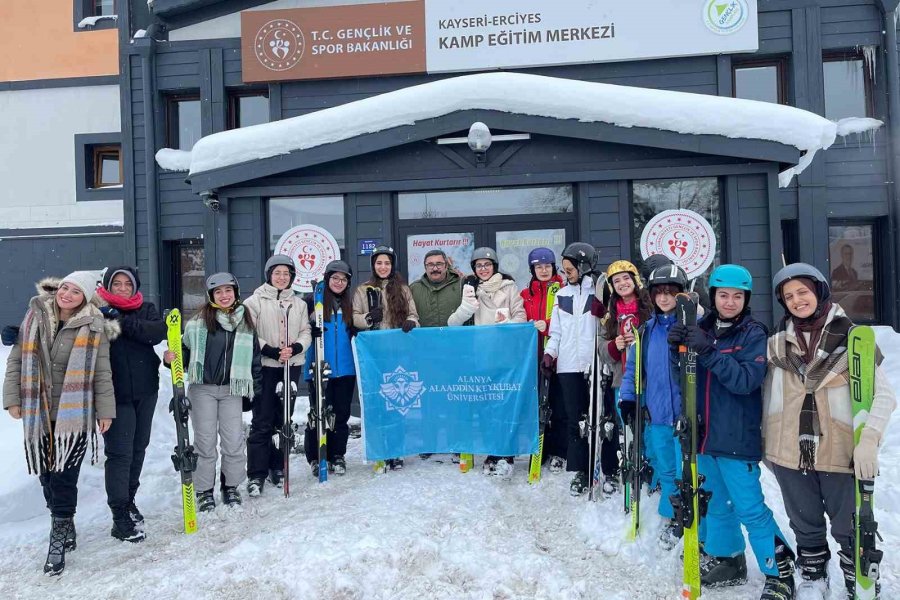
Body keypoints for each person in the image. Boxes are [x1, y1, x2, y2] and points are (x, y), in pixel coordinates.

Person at [764, 263, 895, 599]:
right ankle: (813, 576)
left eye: (803, 292)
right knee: (803, 520)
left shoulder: (854, 339)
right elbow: (766, 395)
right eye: (789, 296)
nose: (797, 300)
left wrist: (869, 439)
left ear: (819, 291)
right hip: (789, 450)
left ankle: (857, 576)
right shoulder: (776, 343)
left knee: (848, 523)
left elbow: (884, 396)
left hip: (839, 449)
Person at [668, 264, 794, 597]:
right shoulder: (700, 328)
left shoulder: (753, 333)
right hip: (703, 436)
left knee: (750, 508)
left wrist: (707, 350)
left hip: (737, 436)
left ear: (746, 299)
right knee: (716, 503)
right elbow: (684, 378)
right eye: (723, 295)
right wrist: (675, 350)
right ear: (713, 296)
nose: (729, 302)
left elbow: (745, 381)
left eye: (738, 296)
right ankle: (729, 559)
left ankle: (780, 573)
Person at [3, 272, 115, 575]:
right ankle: (65, 522)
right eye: (65, 287)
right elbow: (16, 360)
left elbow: (102, 372)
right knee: (46, 475)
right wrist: (12, 398)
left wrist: (105, 411)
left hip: (74, 414)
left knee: (64, 477)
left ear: (85, 298)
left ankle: (58, 535)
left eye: (76, 291)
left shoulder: (95, 325)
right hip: (38, 410)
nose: (67, 294)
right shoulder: (35, 315)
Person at [164, 273, 263, 512]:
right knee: (205, 442)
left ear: (235, 293)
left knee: (233, 441)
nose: (224, 295)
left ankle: (230, 487)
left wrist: (255, 392)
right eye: (218, 292)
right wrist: (171, 358)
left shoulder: (245, 322)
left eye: (228, 290)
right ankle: (204, 490)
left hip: (232, 389)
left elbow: (254, 360)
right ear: (211, 296)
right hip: (203, 389)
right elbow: (185, 355)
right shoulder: (198, 323)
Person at [96, 266, 166, 542]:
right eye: (117, 283)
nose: (123, 288)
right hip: (114, 395)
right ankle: (119, 517)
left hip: (146, 391)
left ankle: (129, 500)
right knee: (120, 454)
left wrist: (121, 321)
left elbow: (156, 333)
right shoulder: (96, 311)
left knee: (138, 449)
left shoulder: (145, 308)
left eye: (128, 283)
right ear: (108, 285)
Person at [619, 264, 685, 548]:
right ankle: (671, 517)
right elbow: (633, 368)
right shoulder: (646, 331)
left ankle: (693, 518)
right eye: (659, 292)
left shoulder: (693, 326)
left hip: (686, 415)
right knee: (667, 469)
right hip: (657, 413)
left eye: (670, 292)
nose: (664, 298)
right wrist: (628, 398)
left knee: (687, 471)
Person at [449, 246, 527, 476]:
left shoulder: (509, 287)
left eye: (487, 264)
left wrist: (506, 326)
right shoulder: (470, 289)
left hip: (505, 355)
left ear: (495, 266)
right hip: (481, 356)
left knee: (504, 405)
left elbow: (521, 315)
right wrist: (467, 306)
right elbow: (453, 322)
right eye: (479, 265)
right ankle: (492, 451)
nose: (483, 269)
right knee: (486, 407)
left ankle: (507, 453)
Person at [243, 255, 311, 496]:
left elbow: (306, 331)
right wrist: (270, 350)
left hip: (291, 365)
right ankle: (256, 473)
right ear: (269, 275)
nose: (282, 277)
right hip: (265, 366)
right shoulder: (254, 302)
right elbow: (248, 332)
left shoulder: (299, 304)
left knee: (282, 419)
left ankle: (277, 465)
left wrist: (296, 347)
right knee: (262, 420)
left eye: (286, 273)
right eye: (277, 273)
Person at [542, 243, 606, 494]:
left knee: (600, 418)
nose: (565, 274)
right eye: (564, 269)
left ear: (584, 266)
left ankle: (606, 467)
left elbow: (607, 325)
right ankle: (581, 470)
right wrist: (550, 353)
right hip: (568, 365)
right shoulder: (561, 295)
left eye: (569, 269)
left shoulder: (600, 290)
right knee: (575, 419)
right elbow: (556, 331)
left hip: (594, 363)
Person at [352, 245, 419, 470]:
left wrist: (411, 322)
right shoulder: (363, 290)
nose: (383, 267)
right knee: (378, 401)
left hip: (397, 352)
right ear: (373, 265)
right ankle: (381, 448)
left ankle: (397, 449)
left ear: (392, 266)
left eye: (387, 263)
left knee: (397, 401)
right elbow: (354, 317)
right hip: (374, 354)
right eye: (379, 263)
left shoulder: (403, 289)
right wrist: (368, 318)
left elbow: (414, 314)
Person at [597, 260, 653, 496]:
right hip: (622, 379)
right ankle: (632, 467)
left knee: (650, 428)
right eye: (616, 281)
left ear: (635, 280)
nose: (622, 284)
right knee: (629, 427)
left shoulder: (650, 307)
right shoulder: (609, 316)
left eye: (626, 278)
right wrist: (614, 345)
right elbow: (601, 348)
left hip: (650, 379)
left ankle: (653, 471)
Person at [303, 260, 357, 477]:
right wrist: (310, 328)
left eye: (343, 279)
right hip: (319, 365)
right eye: (335, 278)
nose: (339, 282)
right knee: (318, 413)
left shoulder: (350, 304)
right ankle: (316, 456)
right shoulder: (312, 301)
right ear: (327, 279)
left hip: (345, 368)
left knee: (341, 414)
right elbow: (299, 328)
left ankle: (337, 454)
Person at [520, 247, 567, 471]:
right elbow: (519, 319)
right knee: (538, 406)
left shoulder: (563, 290)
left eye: (547, 266)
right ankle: (541, 448)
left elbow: (567, 321)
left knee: (558, 406)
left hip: (559, 357)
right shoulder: (526, 294)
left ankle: (560, 451)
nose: (544, 270)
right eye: (539, 267)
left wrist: (546, 325)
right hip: (535, 357)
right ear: (532, 270)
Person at [409, 249, 463, 328]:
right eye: (430, 265)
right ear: (425, 267)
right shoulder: (414, 289)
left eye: (439, 264)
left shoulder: (460, 285)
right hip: (425, 336)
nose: (435, 269)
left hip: (456, 336)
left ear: (446, 266)